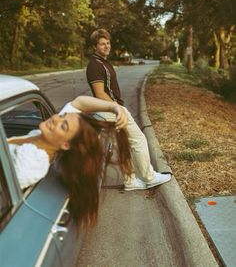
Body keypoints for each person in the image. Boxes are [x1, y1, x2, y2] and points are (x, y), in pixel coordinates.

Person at [7, 95, 133, 228]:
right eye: (62, 116)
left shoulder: (33, 162)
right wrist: (114, 107)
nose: (55, 118)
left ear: (66, 145)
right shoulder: (45, 138)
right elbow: (78, 103)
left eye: (63, 126)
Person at [86, 28, 172, 191]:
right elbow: (99, 93)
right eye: (102, 44)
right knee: (138, 139)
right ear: (94, 47)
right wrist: (118, 109)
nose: (106, 46)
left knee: (124, 144)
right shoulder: (95, 65)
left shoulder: (102, 62)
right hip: (110, 110)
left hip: (110, 109)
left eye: (108, 43)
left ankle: (130, 180)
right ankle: (149, 177)